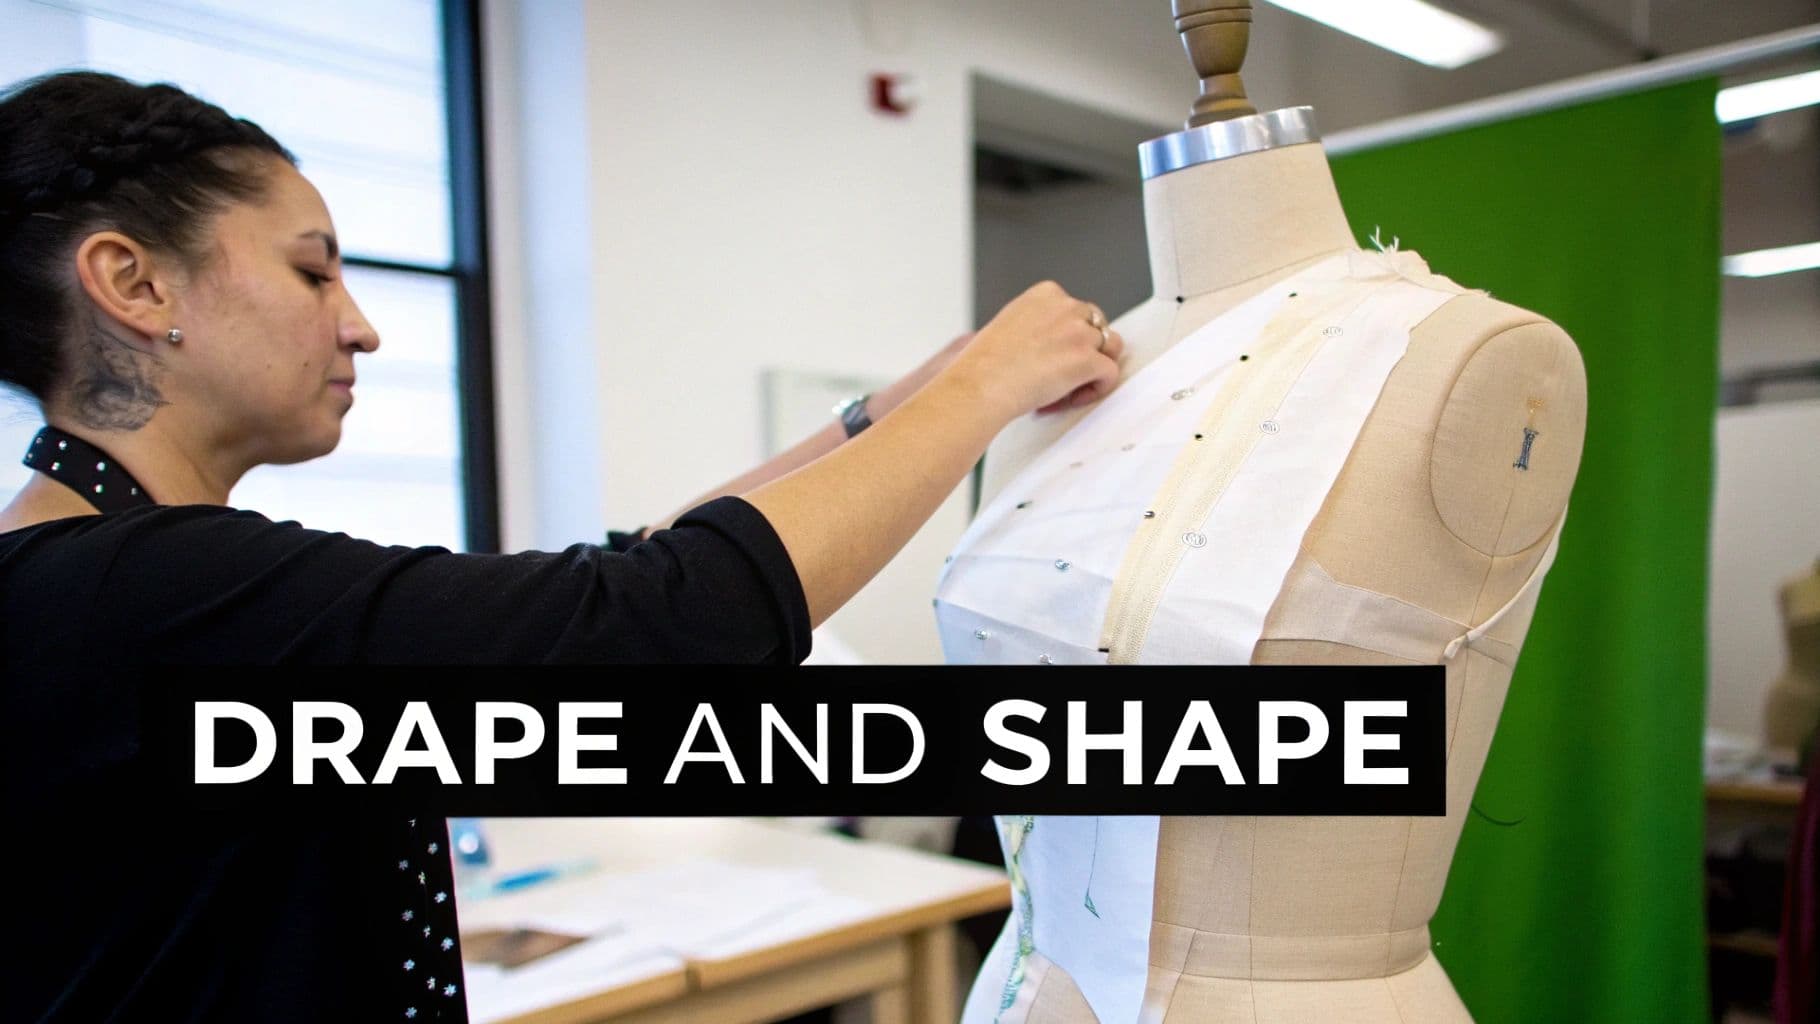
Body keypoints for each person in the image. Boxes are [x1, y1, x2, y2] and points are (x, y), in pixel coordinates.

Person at [0, 71, 1125, 1022]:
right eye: (311, 270)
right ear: (133, 283)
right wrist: (984, 389)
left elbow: (610, 578)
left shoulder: (109, 572)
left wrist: (872, 420)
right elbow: (647, 626)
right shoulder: (134, 587)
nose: (359, 322)